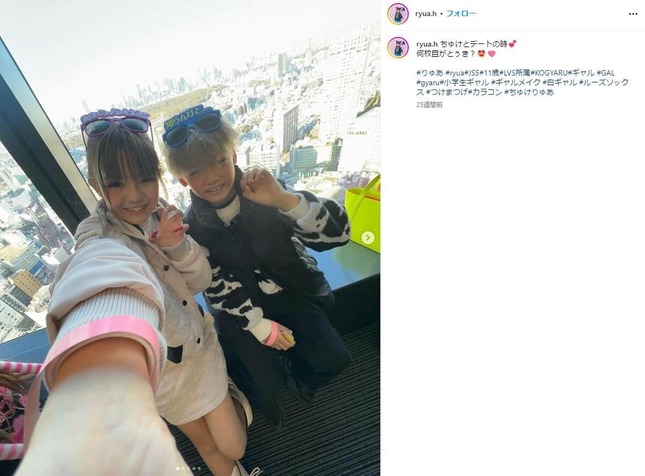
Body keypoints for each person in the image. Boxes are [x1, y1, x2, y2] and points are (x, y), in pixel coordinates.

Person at [18, 108, 257, 476]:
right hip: (164, 379)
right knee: (207, 445)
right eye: (116, 183)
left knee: (233, 444)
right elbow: (94, 265)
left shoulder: (163, 215)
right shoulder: (98, 236)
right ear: (96, 185)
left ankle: (231, 394)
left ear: (158, 175)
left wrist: (177, 246)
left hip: (200, 352)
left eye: (145, 178)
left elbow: (200, 282)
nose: (134, 195)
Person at [162, 104, 352, 428]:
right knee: (264, 387)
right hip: (239, 309)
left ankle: (297, 373)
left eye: (219, 161)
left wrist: (283, 200)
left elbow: (339, 235)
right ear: (182, 179)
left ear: (234, 155)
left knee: (334, 358)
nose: (211, 177)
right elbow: (213, 283)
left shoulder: (265, 189)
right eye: (195, 171)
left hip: (292, 290)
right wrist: (257, 324)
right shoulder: (192, 224)